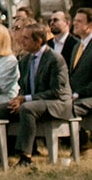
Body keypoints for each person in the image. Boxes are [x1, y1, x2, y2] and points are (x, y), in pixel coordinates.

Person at [10, 21, 73, 166]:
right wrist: (17, 99)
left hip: (57, 103)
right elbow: (23, 87)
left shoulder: (55, 60)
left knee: (27, 108)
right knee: (2, 108)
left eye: (26, 38)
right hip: (35, 102)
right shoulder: (25, 60)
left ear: (38, 41)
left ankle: (25, 156)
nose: (21, 40)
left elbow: (56, 91)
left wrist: (25, 99)